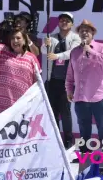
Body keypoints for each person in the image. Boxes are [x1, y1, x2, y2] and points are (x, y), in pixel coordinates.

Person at [65, 19, 103, 154]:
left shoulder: (102, 48)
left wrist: (90, 51)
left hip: (98, 96)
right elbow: (70, 74)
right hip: (80, 97)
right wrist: (69, 90)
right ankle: (85, 156)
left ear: (93, 33)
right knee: (83, 129)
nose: (84, 32)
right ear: (79, 33)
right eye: (82, 30)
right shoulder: (74, 52)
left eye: (87, 30)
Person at [40, 12, 81, 149]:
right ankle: (55, 140)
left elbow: (73, 53)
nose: (64, 22)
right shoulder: (51, 37)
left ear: (72, 24)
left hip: (67, 81)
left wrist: (56, 56)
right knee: (53, 112)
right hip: (53, 80)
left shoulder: (76, 38)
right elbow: (44, 52)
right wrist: (45, 45)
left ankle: (69, 140)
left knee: (66, 112)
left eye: (67, 20)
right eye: (62, 20)